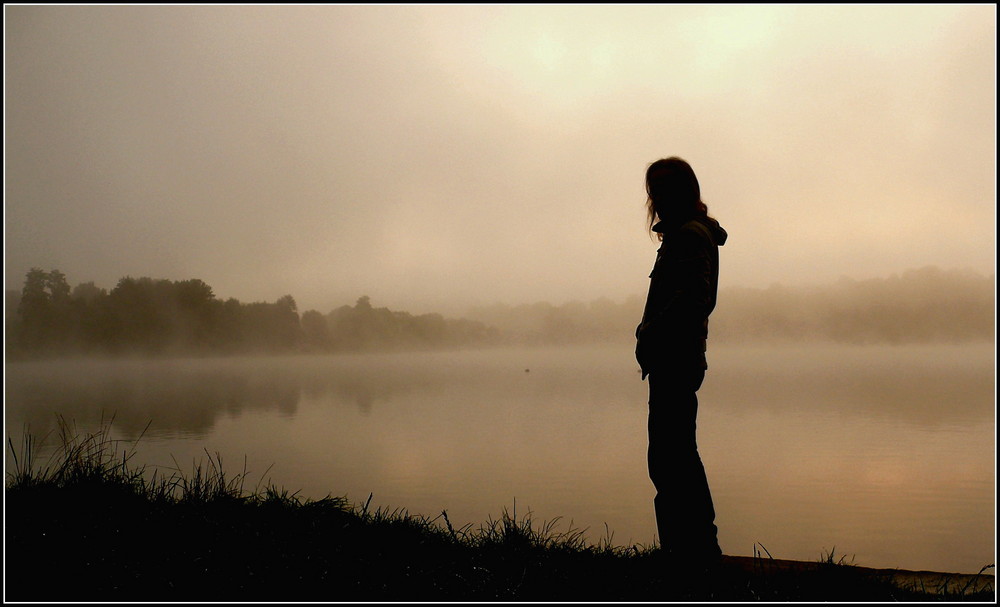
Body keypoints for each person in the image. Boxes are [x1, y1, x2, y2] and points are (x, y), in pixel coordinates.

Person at [635, 157, 728, 567]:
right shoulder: (684, 234)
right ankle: (687, 550)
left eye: (664, 188)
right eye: (653, 188)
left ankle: (692, 553)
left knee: (672, 459)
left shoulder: (689, 237)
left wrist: (651, 333)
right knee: (673, 457)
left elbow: (693, 299)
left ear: (684, 191)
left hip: (676, 358)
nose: (656, 197)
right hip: (675, 357)